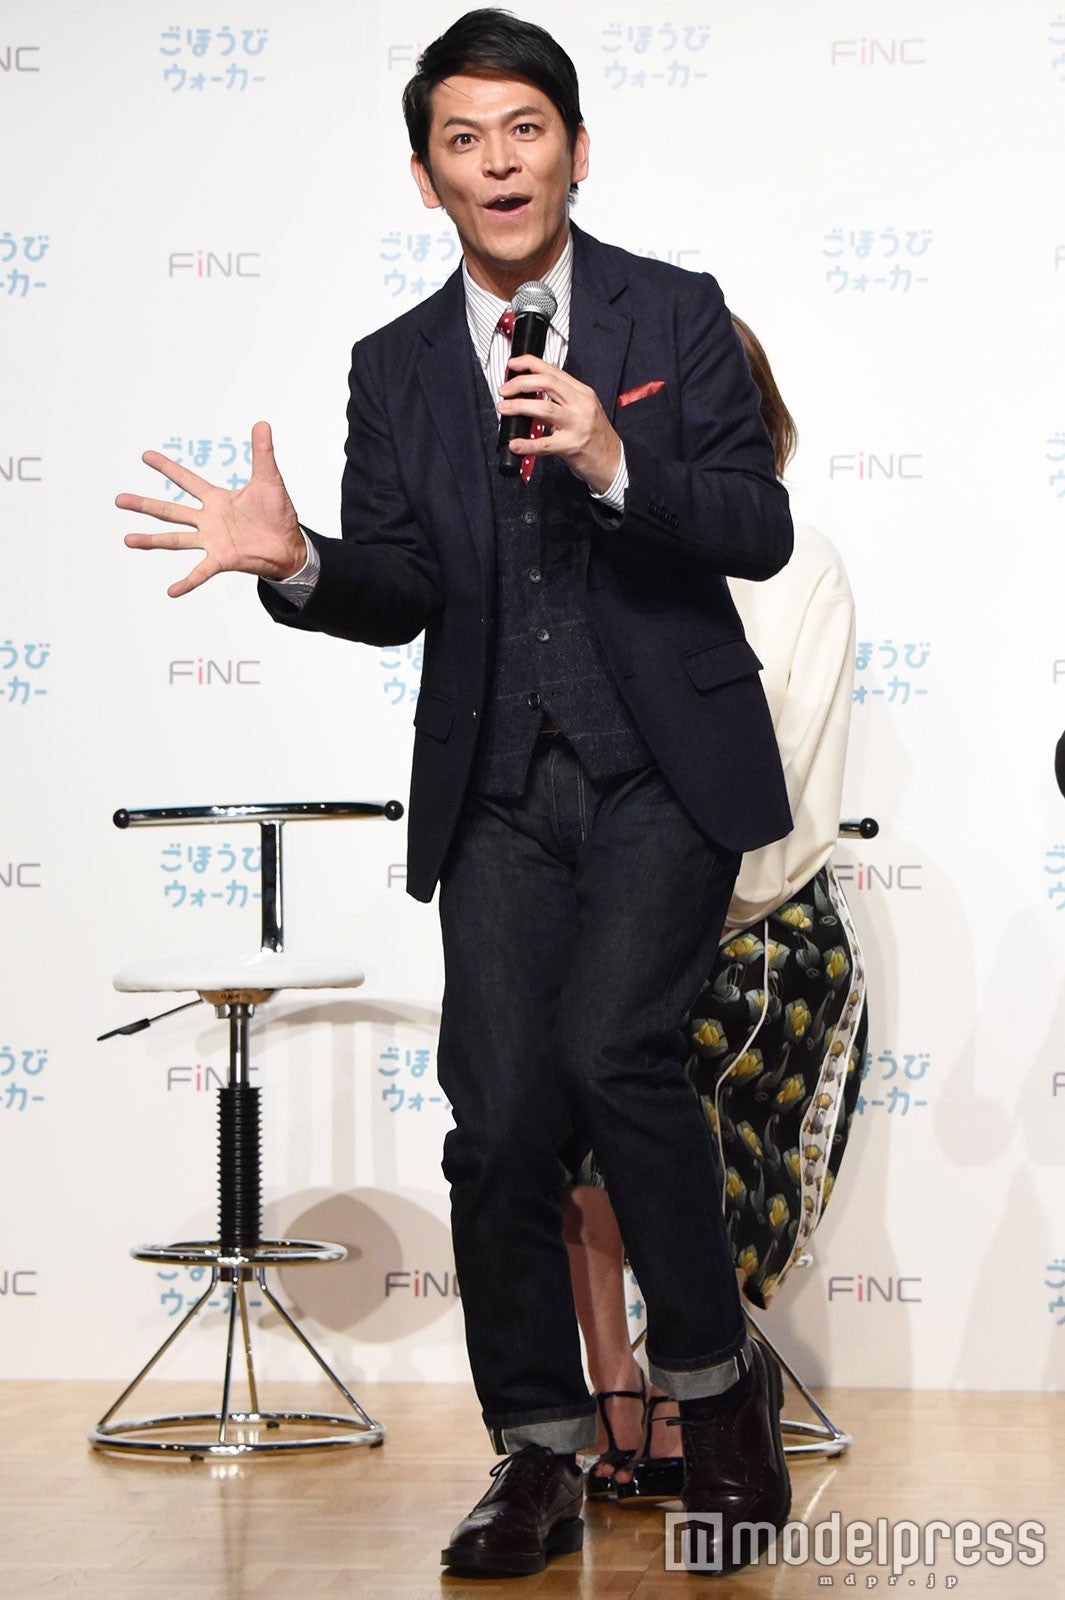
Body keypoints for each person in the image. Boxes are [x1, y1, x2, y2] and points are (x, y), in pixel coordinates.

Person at [118, 10, 795, 1577]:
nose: (499, 162)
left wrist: (614, 463)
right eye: (463, 140)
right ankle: (539, 1453)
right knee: (496, 1120)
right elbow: (402, 586)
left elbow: (754, 527)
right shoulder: (396, 365)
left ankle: (716, 1399)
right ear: (426, 178)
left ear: (575, 147)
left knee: (615, 1052)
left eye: (525, 129)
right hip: (496, 788)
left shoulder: (674, 310)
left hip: (663, 767)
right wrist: (299, 563)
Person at [562, 316, 866, 1503]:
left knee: (660, 1067)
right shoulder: (590, 558)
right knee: (553, 1079)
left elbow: (784, 791)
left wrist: (667, 912)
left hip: (762, 923)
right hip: (623, 916)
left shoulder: (801, 564)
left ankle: (704, 1384)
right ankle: (613, 1390)